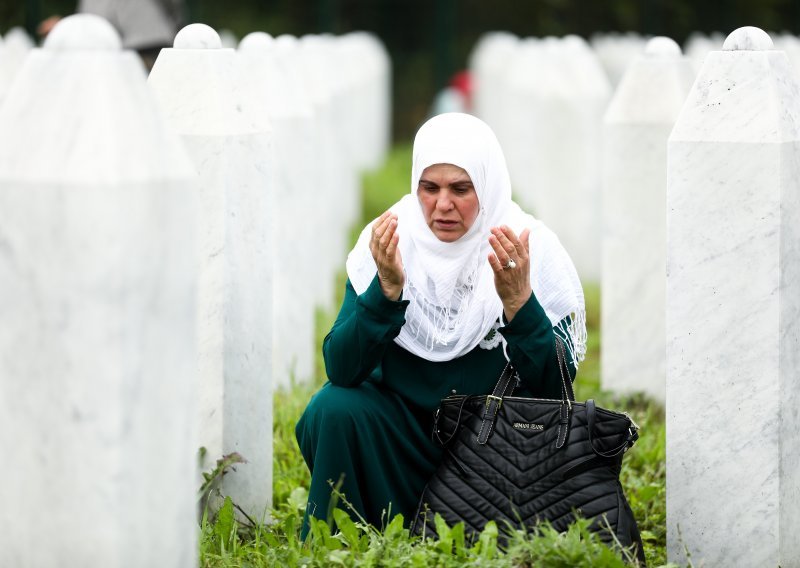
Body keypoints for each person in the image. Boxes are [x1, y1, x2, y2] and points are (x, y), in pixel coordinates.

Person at [295, 112, 586, 536]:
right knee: (332, 409)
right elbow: (341, 368)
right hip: (399, 445)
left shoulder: (528, 247)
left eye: (460, 189)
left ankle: (475, 530)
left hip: (492, 449)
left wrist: (519, 304)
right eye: (429, 188)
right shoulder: (392, 239)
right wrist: (386, 292)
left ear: (486, 187)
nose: (442, 205)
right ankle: (350, 533)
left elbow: (556, 390)